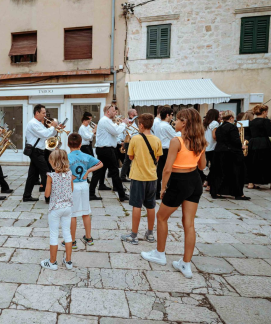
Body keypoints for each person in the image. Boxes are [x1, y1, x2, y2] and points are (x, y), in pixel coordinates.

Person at [142, 108, 207, 278]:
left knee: (162, 217)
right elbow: (202, 166)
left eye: (177, 120)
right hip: (195, 181)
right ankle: (185, 264)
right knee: (189, 223)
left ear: (184, 123)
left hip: (179, 181)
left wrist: (163, 188)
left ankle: (160, 253)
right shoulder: (200, 140)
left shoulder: (176, 141)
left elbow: (167, 169)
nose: (175, 123)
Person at [120, 113, 162, 246]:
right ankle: (150, 234)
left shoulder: (135, 139)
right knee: (151, 205)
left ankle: (134, 235)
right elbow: (157, 159)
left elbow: (130, 157)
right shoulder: (157, 140)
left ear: (142, 125)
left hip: (138, 176)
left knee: (136, 205)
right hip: (152, 176)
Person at [67, 132, 102, 247]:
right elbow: (100, 164)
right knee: (85, 212)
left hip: (73, 186)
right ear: (80, 144)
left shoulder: (67, 157)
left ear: (68, 144)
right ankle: (88, 237)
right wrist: (88, 171)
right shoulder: (86, 156)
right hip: (84, 185)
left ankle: (72, 241)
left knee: (73, 214)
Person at [88, 105, 130, 201]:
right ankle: (122, 195)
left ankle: (91, 193)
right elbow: (116, 131)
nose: (115, 113)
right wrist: (123, 124)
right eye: (114, 111)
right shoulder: (105, 121)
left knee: (98, 171)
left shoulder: (107, 121)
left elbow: (115, 129)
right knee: (114, 172)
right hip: (106, 150)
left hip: (104, 149)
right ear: (108, 112)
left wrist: (121, 124)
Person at [42, 148, 74, 270]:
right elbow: (71, 190)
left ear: (53, 162)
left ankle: (52, 262)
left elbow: (47, 194)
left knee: (54, 234)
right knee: (67, 233)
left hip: (55, 208)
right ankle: (68, 261)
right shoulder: (70, 174)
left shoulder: (51, 176)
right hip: (68, 207)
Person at [22, 104, 58, 202]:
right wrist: (52, 127)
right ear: (37, 113)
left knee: (32, 175)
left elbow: (49, 135)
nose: (45, 115)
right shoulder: (32, 123)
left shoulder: (39, 123)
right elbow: (45, 133)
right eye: (43, 113)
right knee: (46, 173)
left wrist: (55, 128)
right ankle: (48, 197)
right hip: (35, 151)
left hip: (39, 151)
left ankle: (27, 196)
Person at [208, 110, 248, 200]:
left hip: (219, 152)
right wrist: (242, 146)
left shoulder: (219, 127)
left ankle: (216, 192)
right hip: (231, 153)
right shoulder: (232, 127)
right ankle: (238, 193)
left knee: (219, 173)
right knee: (237, 173)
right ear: (231, 118)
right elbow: (235, 140)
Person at [245, 104, 271, 189]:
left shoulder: (251, 122)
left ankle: (251, 182)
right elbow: (269, 133)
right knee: (268, 163)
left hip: (253, 143)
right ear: (264, 112)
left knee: (253, 162)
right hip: (264, 142)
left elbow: (248, 134)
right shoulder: (266, 121)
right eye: (266, 111)